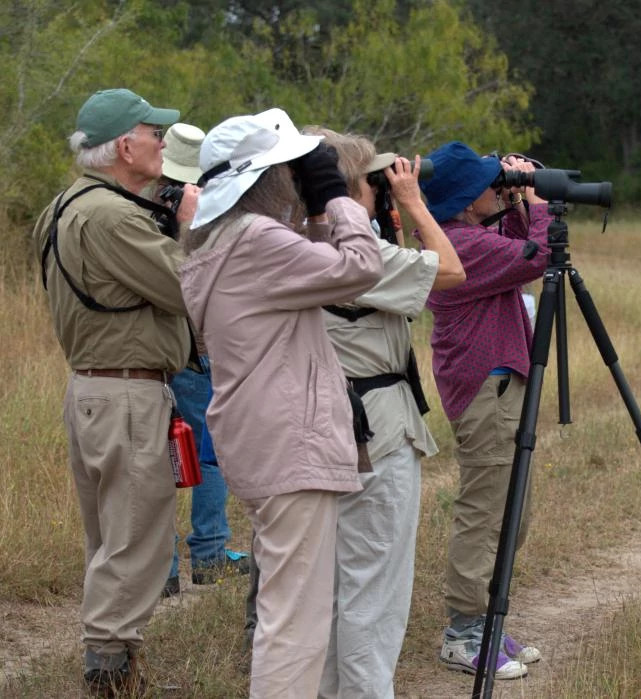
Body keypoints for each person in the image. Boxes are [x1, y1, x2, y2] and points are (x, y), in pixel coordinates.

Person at [178, 107, 382, 698]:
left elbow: (317, 275)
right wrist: (335, 197)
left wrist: (318, 210)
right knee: (296, 622)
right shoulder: (258, 239)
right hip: (290, 442)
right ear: (269, 177)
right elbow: (359, 268)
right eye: (290, 170)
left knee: (287, 610)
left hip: (261, 437)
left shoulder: (219, 242)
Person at [30, 87, 194, 695]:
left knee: (112, 537)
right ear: (125, 145)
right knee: (135, 542)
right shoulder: (113, 216)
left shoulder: (66, 205)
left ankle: (116, 658)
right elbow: (188, 290)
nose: (162, 143)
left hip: (94, 389)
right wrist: (189, 229)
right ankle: (109, 673)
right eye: (155, 133)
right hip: (126, 393)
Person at [294, 130, 465, 698]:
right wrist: (414, 204)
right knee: (373, 591)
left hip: (311, 427)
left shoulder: (285, 242)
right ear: (345, 188)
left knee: (323, 592)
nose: (382, 189)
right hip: (373, 431)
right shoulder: (353, 253)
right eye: (373, 180)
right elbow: (449, 270)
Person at [419, 141, 550, 680]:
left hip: (501, 387)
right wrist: (540, 207)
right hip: (486, 390)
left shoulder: (472, 236)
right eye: (487, 184)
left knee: (510, 513)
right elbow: (537, 257)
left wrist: (518, 200)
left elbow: (520, 252)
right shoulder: (459, 245)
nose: (496, 189)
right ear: (464, 198)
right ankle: (462, 634)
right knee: (485, 513)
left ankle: (486, 623)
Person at [155, 122, 249, 598]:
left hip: (156, 349)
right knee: (206, 456)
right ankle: (209, 553)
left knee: (158, 456)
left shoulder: (139, 207)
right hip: (197, 350)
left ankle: (166, 565)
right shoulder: (209, 210)